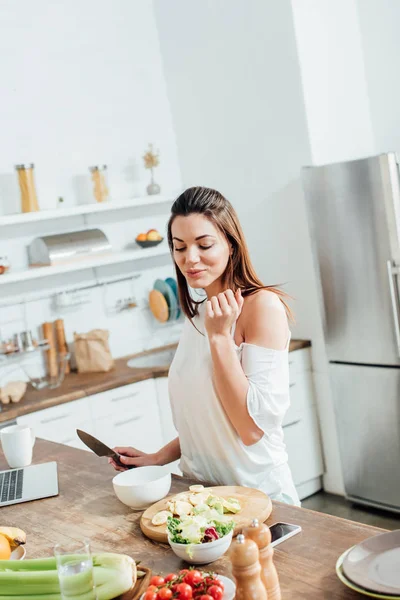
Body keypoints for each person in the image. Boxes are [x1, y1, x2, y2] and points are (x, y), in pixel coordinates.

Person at [110, 186, 300, 505]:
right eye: (179, 247)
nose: (190, 259)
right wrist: (158, 458)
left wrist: (219, 337)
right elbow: (208, 418)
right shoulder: (200, 314)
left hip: (258, 501)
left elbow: (250, 430)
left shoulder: (261, 308)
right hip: (200, 497)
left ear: (231, 243)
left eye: (204, 244)